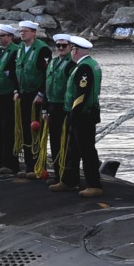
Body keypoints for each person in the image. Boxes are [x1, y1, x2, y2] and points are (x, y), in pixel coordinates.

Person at [59, 36, 104, 198]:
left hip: (83, 115)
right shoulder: (91, 64)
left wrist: (74, 114)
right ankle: (69, 180)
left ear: (75, 50)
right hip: (84, 114)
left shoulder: (84, 67)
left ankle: (94, 184)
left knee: (86, 150)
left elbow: (81, 94)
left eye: (71, 49)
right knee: (73, 149)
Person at [12, 21, 51, 175]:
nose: (22, 33)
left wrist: (41, 94)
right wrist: (16, 90)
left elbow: (47, 75)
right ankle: (29, 166)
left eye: (26, 31)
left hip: (36, 96)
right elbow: (17, 71)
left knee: (37, 131)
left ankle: (40, 165)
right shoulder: (20, 48)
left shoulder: (43, 50)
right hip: (23, 94)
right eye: (21, 31)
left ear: (34, 33)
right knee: (26, 131)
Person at [39, 32, 76, 186]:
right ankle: (57, 173)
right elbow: (47, 86)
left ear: (70, 47)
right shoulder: (53, 63)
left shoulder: (72, 64)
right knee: (54, 141)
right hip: (52, 105)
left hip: (64, 107)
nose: (60, 48)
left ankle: (67, 176)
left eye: (64, 46)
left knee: (65, 142)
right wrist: (44, 109)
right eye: (58, 45)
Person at [0, 24, 21, 174]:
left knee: (8, 130)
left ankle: (10, 163)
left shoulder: (16, 51)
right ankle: (0, 161)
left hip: (8, 95)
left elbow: (15, 74)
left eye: (2, 35)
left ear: (10, 37)